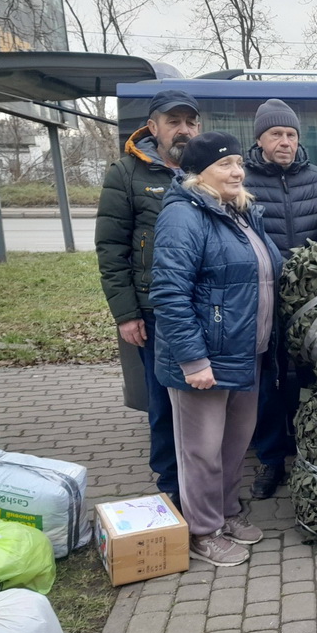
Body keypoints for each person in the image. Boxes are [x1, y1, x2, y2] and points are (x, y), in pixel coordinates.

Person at [151, 132, 283, 567]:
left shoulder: (239, 213)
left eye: (239, 163)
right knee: (201, 451)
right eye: (225, 164)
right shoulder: (184, 215)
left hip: (246, 351)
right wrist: (193, 360)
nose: (237, 171)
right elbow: (169, 293)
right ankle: (203, 530)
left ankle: (225, 512)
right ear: (199, 173)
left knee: (233, 444)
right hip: (205, 358)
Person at [95, 89, 201, 510]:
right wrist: (126, 314)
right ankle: (171, 484)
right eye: (174, 122)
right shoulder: (126, 174)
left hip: (205, 310)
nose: (183, 130)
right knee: (163, 401)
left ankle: (202, 481)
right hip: (157, 312)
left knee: (203, 402)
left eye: (190, 122)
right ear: (153, 127)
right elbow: (111, 249)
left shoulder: (207, 170)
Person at [244, 99, 317, 499]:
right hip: (262, 300)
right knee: (268, 382)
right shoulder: (242, 180)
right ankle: (272, 459)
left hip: (312, 303)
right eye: (276, 134)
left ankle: (316, 449)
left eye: (291, 134)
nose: (285, 141)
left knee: (314, 377)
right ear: (260, 139)